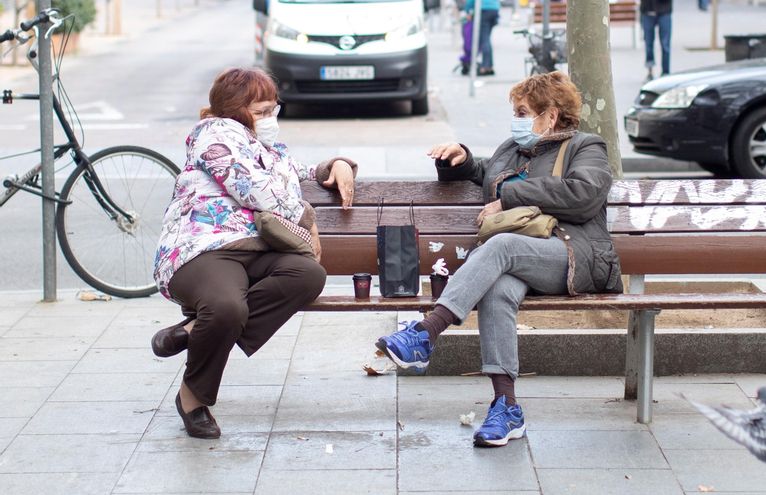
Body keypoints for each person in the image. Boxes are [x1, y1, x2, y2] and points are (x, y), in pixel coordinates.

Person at [375, 72, 623, 448]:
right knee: (498, 289)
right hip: (521, 259)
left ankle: (426, 332)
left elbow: (584, 194)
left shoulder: (586, 147)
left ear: (550, 116)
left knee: (502, 246)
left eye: (523, 112)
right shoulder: (513, 148)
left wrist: (510, 197)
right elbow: (485, 174)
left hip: (573, 255)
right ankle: (506, 407)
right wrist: (459, 160)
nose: (517, 120)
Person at [151, 67, 358, 439]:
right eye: (261, 112)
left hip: (256, 249)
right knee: (227, 308)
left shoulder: (264, 148)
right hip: (205, 249)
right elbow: (251, 186)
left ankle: (195, 329)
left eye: (273, 109)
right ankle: (193, 397)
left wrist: (337, 165)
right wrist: (306, 219)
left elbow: (300, 172)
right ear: (234, 110)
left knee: (308, 275)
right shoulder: (213, 136)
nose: (270, 119)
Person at [465, 0, 500, 76]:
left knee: (484, 39)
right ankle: (489, 66)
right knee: (487, 38)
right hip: (495, 9)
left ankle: (485, 67)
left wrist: (468, 11)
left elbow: (470, 2)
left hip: (484, 10)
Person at [641, 0, 673, 80]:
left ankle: (665, 72)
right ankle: (650, 72)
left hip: (664, 10)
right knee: (648, 44)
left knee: (665, 45)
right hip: (647, 10)